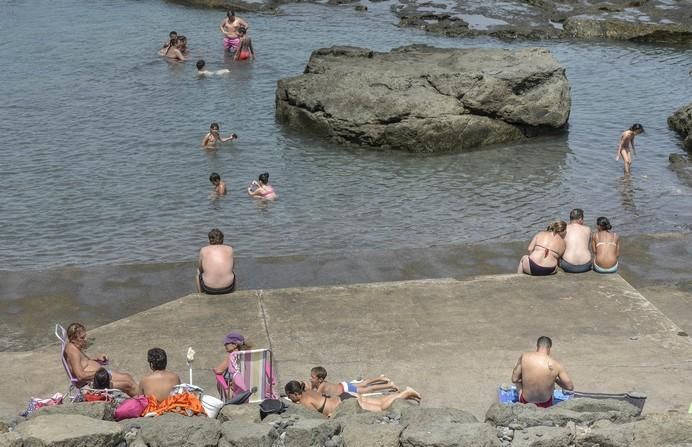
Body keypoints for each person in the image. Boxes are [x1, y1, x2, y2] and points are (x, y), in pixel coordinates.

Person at [64, 322, 139, 396]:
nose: (86, 339)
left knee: (127, 376)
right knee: (127, 385)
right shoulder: (73, 352)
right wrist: (102, 373)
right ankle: (145, 402)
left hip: (98, 378)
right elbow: (80, 376)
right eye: (82, 338)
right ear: (73, 339)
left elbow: (84, 362)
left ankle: (144, 398)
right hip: (93, 384)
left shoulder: (75, 346)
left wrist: (97, 359)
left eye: (85, 336)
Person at [285, 381, 421, 417]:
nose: (290, 399)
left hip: (345, 404)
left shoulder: (303, 401)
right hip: (345, 396)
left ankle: (405, 394)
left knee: (381, 408)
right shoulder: (308, 391)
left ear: (295, 394)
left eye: (289, 396)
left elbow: (313, 416)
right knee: (380, 402)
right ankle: (405, 393)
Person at [511, 336, 573, 408]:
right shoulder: (556, 364)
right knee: (551, 380)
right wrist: (555, 380)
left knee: (519, 380)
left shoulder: (525, 356)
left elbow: (514, 379)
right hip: (546, 404)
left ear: (537, 346)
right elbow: (570, 387)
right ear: (549, 347)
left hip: (526, 402)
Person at [305, 366, 398, 396]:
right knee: (363, 384)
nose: (310, 379)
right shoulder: (321, 383)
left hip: (346, 390)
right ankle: (381, 378)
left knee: (369, 389)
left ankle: (390, 385)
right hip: (343, 385)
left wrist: (307, 392)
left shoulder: (322, 386)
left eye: (312, 378)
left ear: (320, 379)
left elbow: (316, 396)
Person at [196, 228, 236, 294]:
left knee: (198, 273)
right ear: (222, 239)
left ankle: (200, 295)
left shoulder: (203, 250)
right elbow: (232, 266)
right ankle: (233, 293)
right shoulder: (230, 249)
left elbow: (200, 268)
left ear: (209, 239)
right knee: (232, 272)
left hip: (209, 288)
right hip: (228, 287)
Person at [559, 209, 592, 273]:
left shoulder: (564, 229)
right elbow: (588, 246)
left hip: (568, 265)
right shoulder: (588, 229)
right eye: (583, 219)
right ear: (580, 219)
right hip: (586, 265)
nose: (583, 221)